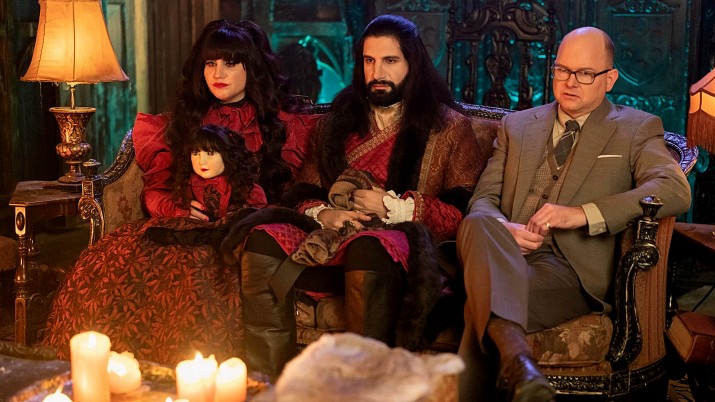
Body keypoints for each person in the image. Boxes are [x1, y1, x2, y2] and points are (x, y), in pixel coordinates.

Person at [220, 14, 486, 379]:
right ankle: (267, 379)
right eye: (369, 60)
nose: (377, 72)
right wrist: (324, 213)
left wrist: (391, 206)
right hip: (331, 240)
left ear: (412, 64)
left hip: (402, 246)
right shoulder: (336, 123)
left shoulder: (450, 127)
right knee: (262, 239)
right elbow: (304, 190)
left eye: (390, 61)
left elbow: (460, 214)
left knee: (369, 244)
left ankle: (364, 384)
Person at [42, 19, 318, 365]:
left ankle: (199, 372)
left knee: (206, 274)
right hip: (181, 222)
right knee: (110, 265)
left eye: (231, 63)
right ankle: (118, 369)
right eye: (210, 63)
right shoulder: (184, 123)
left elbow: (288, 197)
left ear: (253, 68)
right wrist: (178, 210)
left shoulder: (282, 127)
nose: (218, 73)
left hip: (243, 231)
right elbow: (155, 189)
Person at [456, 27, 691, 402]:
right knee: (478, 221)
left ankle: (515, 366)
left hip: (567, 270)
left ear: (609, 79)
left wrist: (583, 213)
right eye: (563, 70)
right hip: (497, 249)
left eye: (585, 73)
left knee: (479, 296)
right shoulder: (517, 126)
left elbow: (673, 189)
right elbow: (484, 198)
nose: (570, 82)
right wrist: (503, 228)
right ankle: (521, 368)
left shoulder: (636, 129)